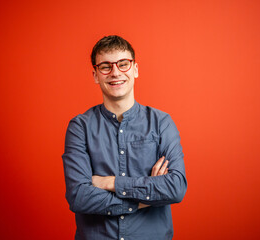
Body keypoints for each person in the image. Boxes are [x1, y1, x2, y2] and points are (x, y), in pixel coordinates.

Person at [62, 35, 187, 240]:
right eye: (105, 66)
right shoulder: (80, 127)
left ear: (135, 69)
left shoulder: (161, 123)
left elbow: (175, 188)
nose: (115, 72)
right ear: (95, 75)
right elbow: (79, 197)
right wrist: (146, 198)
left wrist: (111, 183)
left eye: (123, 64)